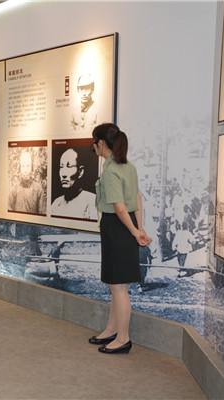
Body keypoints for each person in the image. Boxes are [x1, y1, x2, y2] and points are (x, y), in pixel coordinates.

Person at [88, 123, 151, 354]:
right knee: (117, 285)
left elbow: (119, 207)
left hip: (117, 226)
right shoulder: (128, 167)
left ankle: (123, 338)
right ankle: (112, 329)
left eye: (94, 143)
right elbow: (137, 199)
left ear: (100, 143)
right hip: (127, 225)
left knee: (118, 287)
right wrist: (138, 228)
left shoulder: (111, 171)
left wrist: (135, 232)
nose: (94, 147)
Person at [51, 147, 98, 220]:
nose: (63, 174)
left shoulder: (92, 201)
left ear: (80, 171)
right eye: (61, 166)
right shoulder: (56, 203)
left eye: (69, 166)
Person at [8, 150, 46, 215]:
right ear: (20, 168)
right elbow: (9, 211)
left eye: (28, 166)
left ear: (31, 167)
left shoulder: (38, 189)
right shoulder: (14, 190)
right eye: (23, 166)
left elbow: (42, 213)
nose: (25, 170)